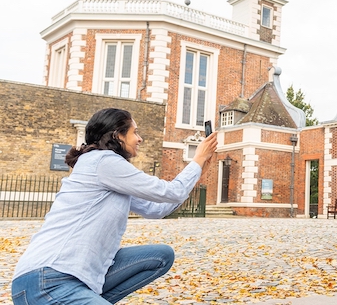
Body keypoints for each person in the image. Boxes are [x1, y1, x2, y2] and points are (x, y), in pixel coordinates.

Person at [11, 108, 218, 304]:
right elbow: (171, 191)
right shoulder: (103, 161)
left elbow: (157, 209)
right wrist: (197, 159)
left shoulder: (108, 172)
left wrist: (196, 177)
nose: (140, 139)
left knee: (162, 256)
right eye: (135, 132)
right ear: (118, 135)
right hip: (48, 280)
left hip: (70, 280)